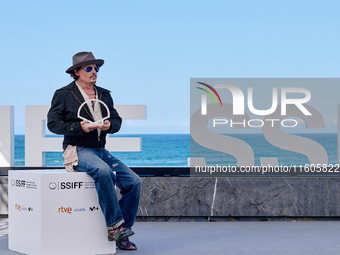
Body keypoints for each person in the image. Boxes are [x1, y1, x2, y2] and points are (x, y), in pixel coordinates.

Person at [47, 51, 142, 251]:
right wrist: (79, 128)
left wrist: (109, 125)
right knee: (104, 171)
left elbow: (117, 121)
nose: (94, 72)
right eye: (89, 68)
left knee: (135, 181)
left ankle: (124, 230)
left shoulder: (104, 94)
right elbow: (53, 124)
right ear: (76, 72)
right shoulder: (63, 94)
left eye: (96, 68)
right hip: (77, 150)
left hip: (101, 150)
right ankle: (115, 227)